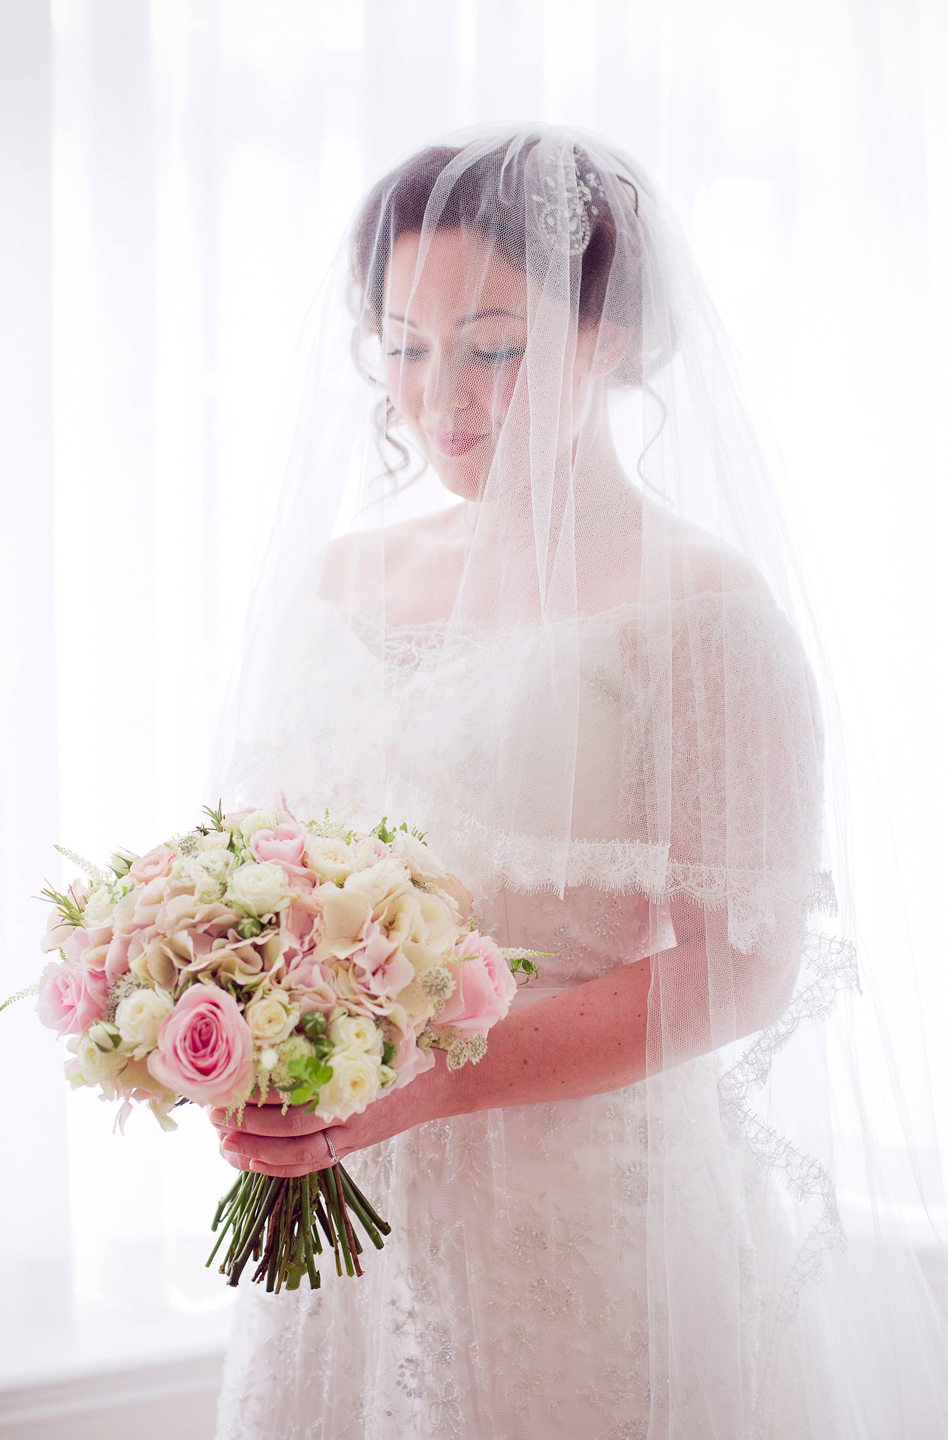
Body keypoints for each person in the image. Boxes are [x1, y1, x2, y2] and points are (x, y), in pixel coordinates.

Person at [208, 124, 948, 1438]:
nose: (443, 395)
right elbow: (265, 874)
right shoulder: (337, 584)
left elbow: (745, 964)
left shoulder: (704, 609)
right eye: (406, 344)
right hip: (348, 1222)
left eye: (495, 346)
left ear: (608, 338)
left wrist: (439, 1079)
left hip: (586, 1222)